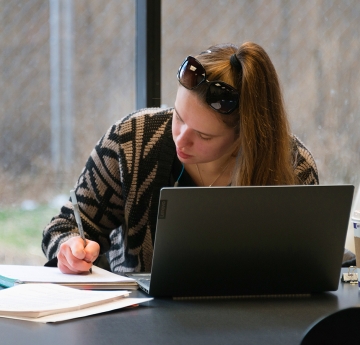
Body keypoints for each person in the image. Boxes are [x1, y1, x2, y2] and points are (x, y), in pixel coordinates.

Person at [42, 42, 319, 274]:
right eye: (178, 116)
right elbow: (63, 226)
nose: (180, 139)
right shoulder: (130, 140)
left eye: (203, 136)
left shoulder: (293, 167)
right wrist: (69, 249)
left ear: (243, 136)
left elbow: (308, 267)